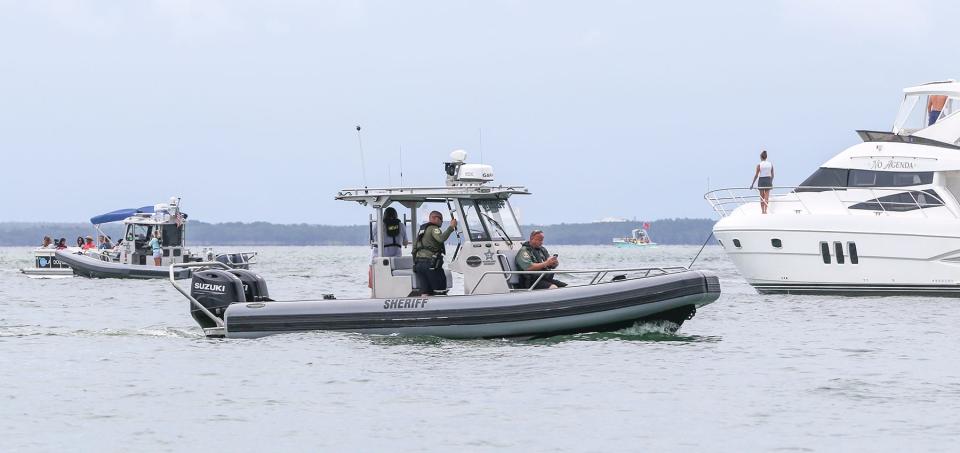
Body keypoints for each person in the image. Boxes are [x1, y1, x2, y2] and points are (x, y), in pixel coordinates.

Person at [412, 210, 458, 296]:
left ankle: (425, 307)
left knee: (425, 291)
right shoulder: (434, 228)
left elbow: (414, 248)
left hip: (419, 265)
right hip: (430, 264)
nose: (442, 221)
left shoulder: (422, 230)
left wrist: (415, 263)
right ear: (435, 218)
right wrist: (451, 227)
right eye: (441, 219)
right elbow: (441, 238)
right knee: (440, 289)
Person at [750, 150, 774, 214]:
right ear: (766, 157)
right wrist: (771, 182)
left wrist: (752, 184)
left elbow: (756, 175)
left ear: (761, 157)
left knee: (761, 197)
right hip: (768, 180)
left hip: (761, 180)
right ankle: (766, 210)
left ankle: (762, 211)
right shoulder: (770, 164)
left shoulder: (759, 165)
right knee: (766, 197)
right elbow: (772, 175)